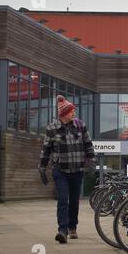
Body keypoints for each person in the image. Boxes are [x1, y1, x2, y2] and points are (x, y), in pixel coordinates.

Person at [38, 95, 96, 244]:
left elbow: (88, 144)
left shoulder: (80, 125)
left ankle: (72, 227)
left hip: (77, 170)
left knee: (74, 201)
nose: (74, 113)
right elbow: (46, 149)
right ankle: (62, 230)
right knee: (63, 200)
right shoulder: (52, 128)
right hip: (60, 170)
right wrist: (42, 168)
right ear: (64, 114)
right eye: (71, 111)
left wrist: (92, 161)